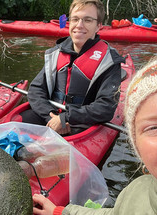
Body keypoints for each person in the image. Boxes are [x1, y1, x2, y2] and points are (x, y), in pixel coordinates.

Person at [32, 39, 157, 215]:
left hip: (77, 120)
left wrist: (66, 118)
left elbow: (102, 109)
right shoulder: (137, 197)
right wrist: (60, 214)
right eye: (154, 127)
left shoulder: (108, 63)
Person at [21, 0, 124, 135]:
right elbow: (35, 90)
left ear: (98, 26)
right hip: (51, 116)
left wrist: (66, 118)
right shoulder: (56, 53)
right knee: (18, 123)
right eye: (75, 19)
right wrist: (52, 117)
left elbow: (105, 107)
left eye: (87, 20)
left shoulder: (109, 61)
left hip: (82, 125)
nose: (79, 25)